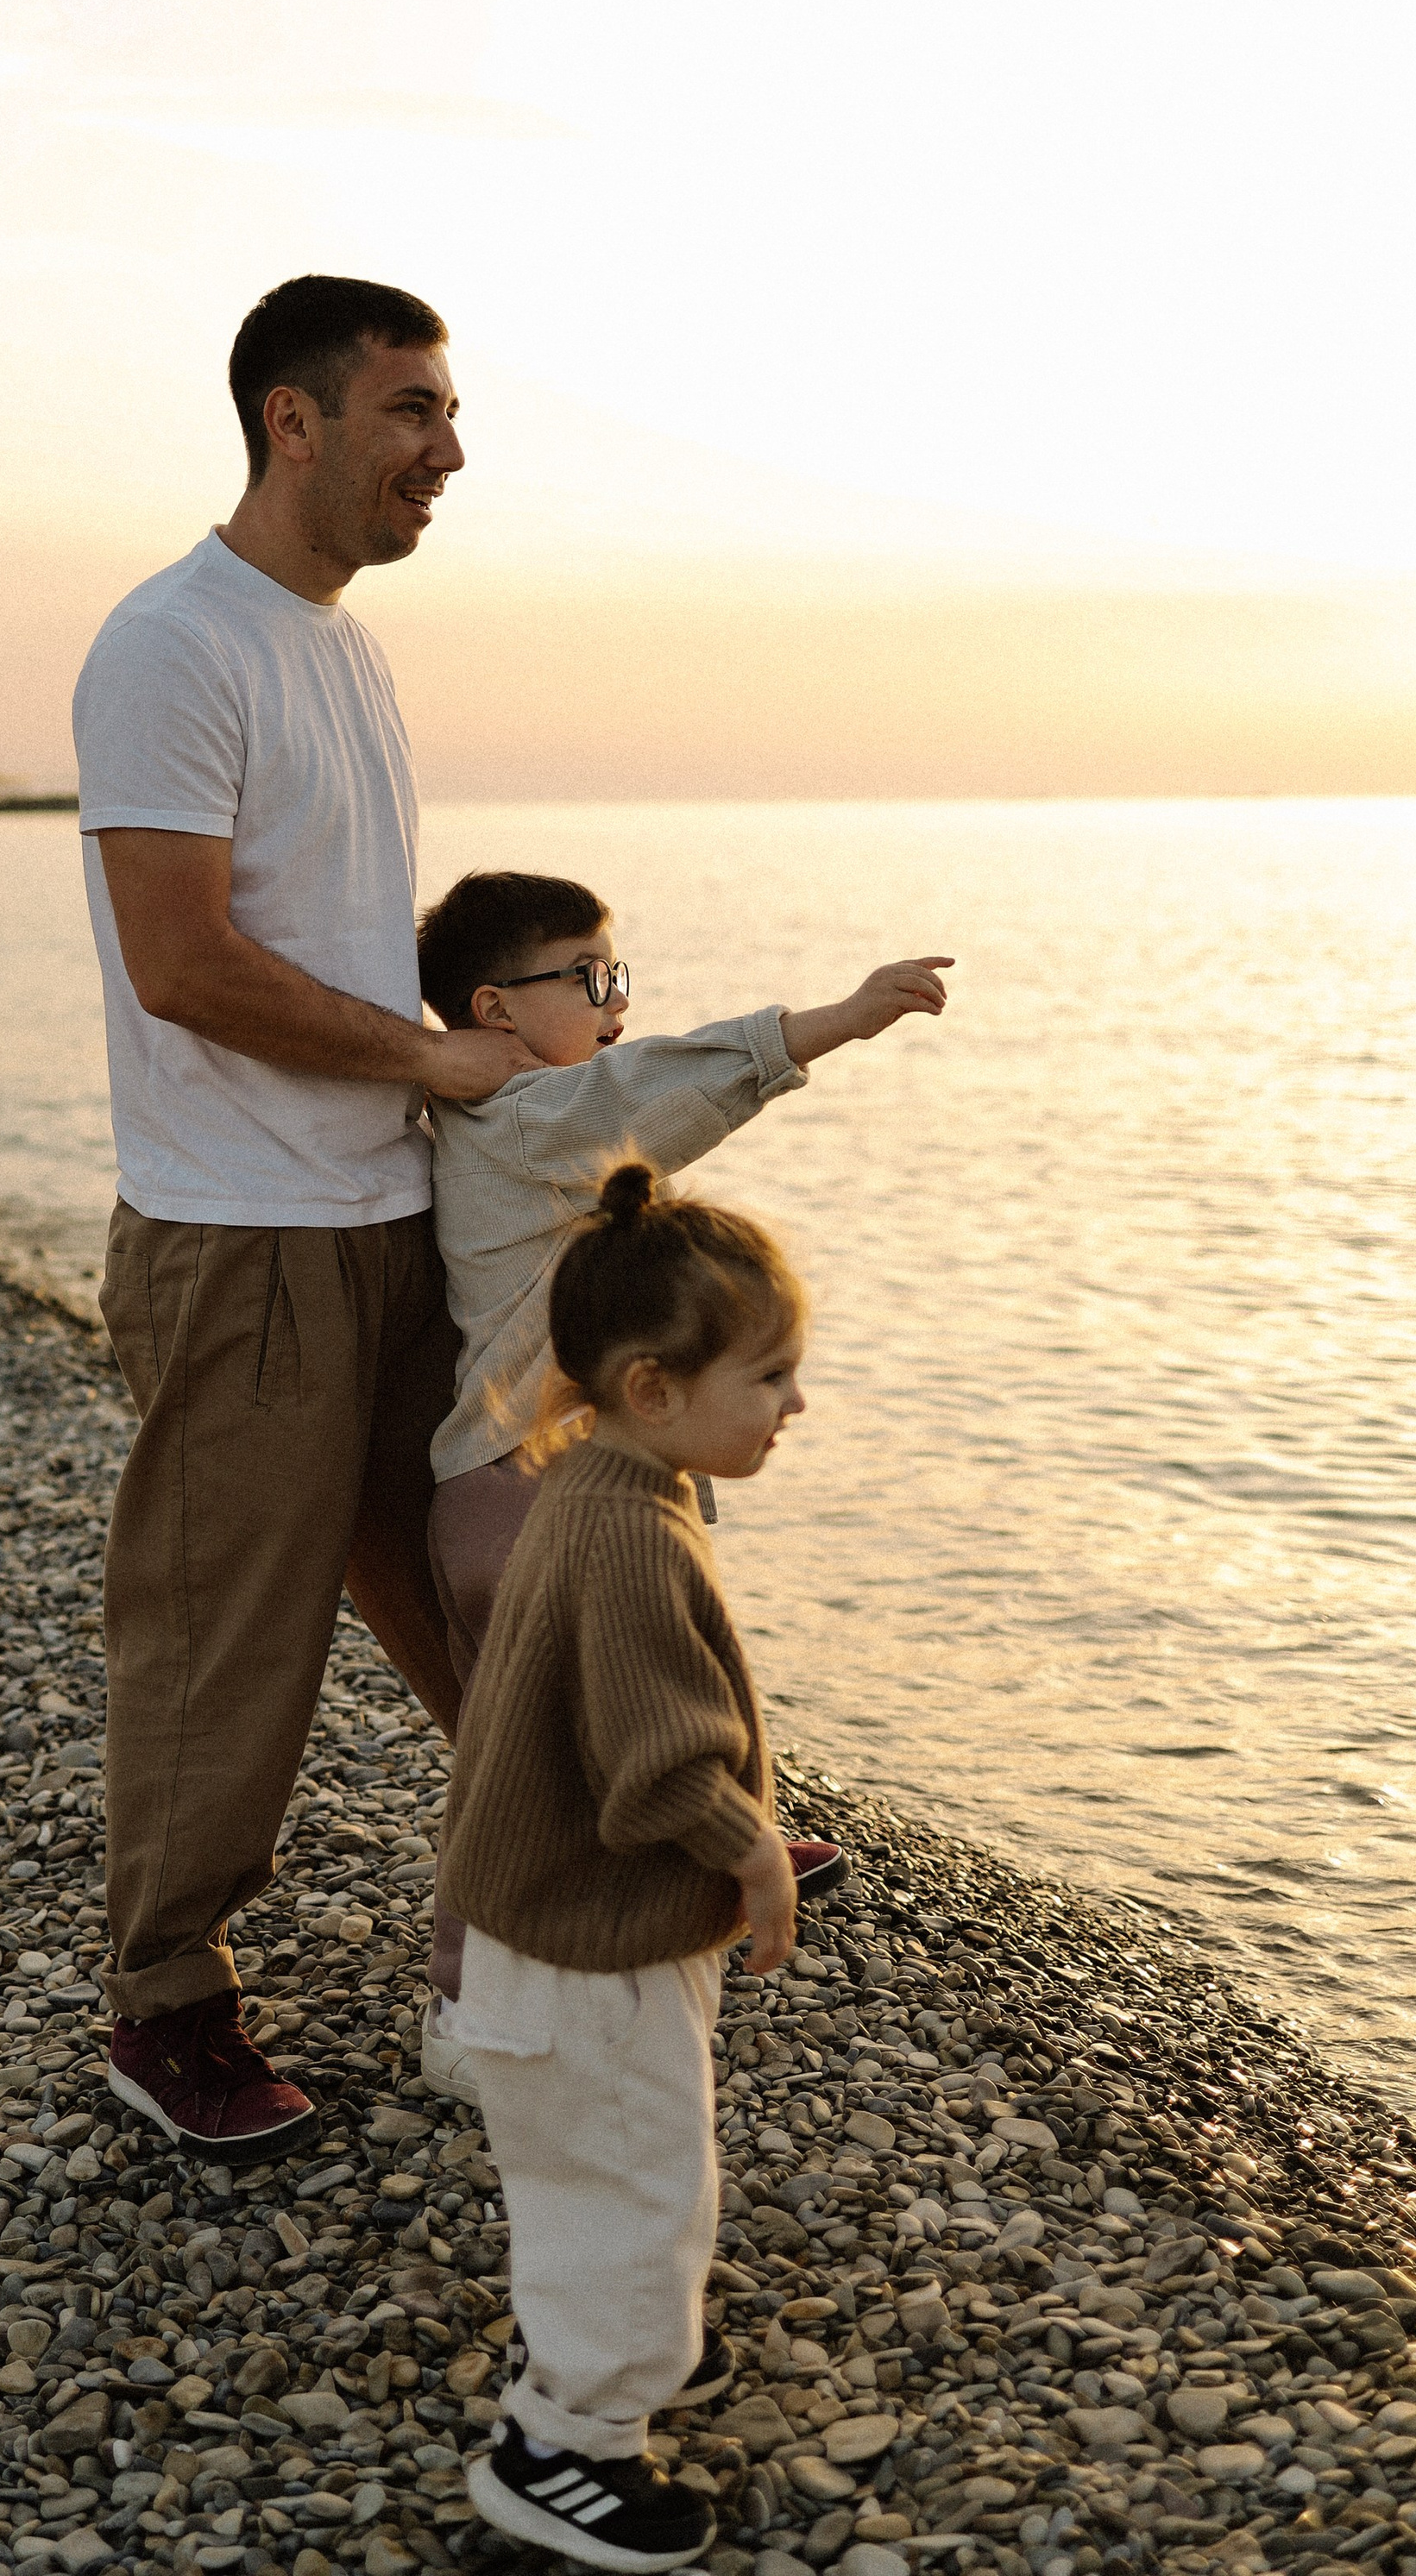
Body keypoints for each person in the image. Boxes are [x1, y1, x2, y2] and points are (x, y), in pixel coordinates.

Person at [71, 273, 527, 2162]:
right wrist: (423, 1067)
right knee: (220, 1630)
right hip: (238, 1228)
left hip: (382, 1201)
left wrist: (492, 1044)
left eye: (445, 411)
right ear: (295, 421)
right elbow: (181, 966)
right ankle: (164, 2002)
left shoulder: (341, 643)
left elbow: (337, 926)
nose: (448, 450)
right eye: (411, 411)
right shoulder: (171, 646)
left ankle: (569, 1825)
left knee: (464, 1543)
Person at [415, 866, 949, 2080]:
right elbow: (654, 1087)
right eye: (589, 978)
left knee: (536, 1752)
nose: (615, 1001)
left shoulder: (487, 1122)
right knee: (541, 1766)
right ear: (494, 1009)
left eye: (618, 975)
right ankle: (470, 2008)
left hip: (500, 1497)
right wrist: (834, 1020)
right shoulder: (528, 1117)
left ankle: (667, 1874)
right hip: (537, 1501)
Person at [439, 1164, 808, 2571]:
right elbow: (661, 1760)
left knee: (587, 2173)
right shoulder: (629, 1533)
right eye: (768, 1376)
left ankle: (611, 2355)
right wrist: (755, 1855)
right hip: (592, 1952)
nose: (792, 1405)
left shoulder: (589, 1482)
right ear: (654, 1389)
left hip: (545, 1935)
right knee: (641, 2184)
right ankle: (566, 2450)